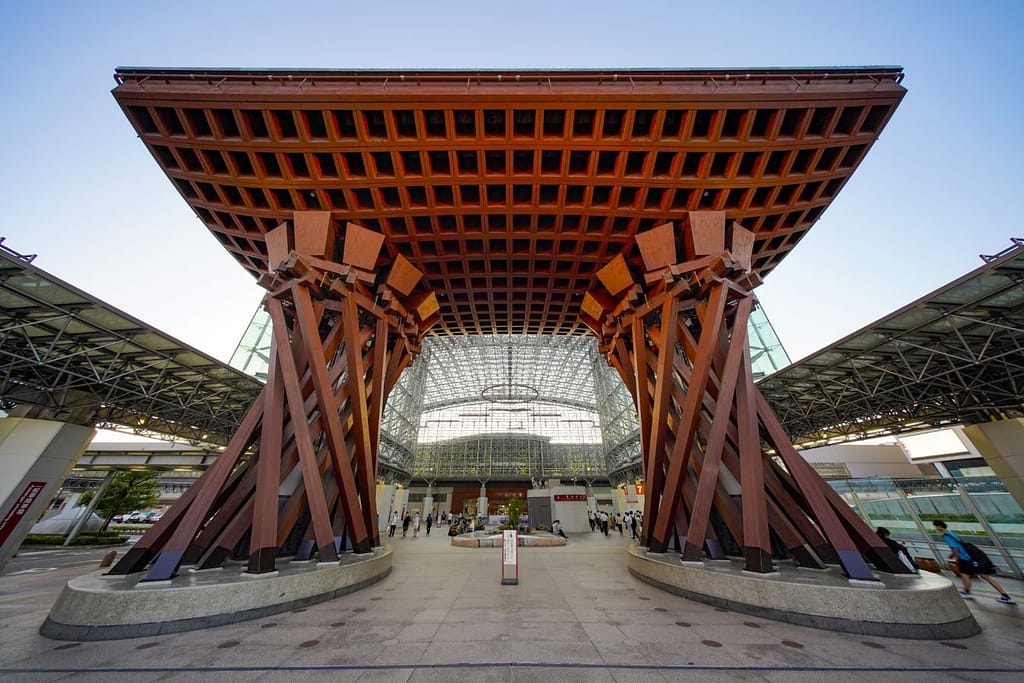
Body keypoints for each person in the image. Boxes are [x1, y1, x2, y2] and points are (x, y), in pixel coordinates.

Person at [932, 520, 1015, 604]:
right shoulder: (951, 533)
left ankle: (967, 592)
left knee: (965, 574)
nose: (935, 528)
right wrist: (953, 554)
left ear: (939, 526)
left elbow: (955, 548)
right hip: (971, 558)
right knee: (982, 576)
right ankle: (1005, 596)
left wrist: (955, 557)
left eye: (935, 526)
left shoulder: (946, 536)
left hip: (965, 559)